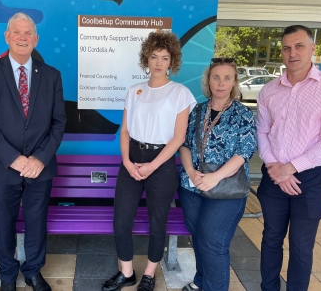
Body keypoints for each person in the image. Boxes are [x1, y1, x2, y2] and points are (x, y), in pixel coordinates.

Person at [0, 13, 66, 291]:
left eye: (28, 33)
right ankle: (7, 275)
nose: (23, 37)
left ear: (36, 39)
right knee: (4, 224)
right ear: (7, 37)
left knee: (37, 222)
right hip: (2, 166)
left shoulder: (51, 75)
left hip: (40, 166)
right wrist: (13, 158)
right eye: (17, 32)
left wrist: (39, 158)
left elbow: (59, 122)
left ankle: (33, 271)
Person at [102, 30, 196, 291]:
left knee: (158, 221)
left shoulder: (180, 93)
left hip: (162, 162)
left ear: (172, 61)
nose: (158, 62)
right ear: (146, 58)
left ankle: (150, 275)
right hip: (132, 158)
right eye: (154, 56)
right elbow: (125, 131)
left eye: (164, 58)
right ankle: (127, 272)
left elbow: (178, 138)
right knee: (121, 220)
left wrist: (153, 165)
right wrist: (128, 162)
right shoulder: (135, 90)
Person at [256, 25, 321, 291]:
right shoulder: (269, 90)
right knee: (271, 237)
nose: (292, 53)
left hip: (312, 178)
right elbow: (262, 130)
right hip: (274, 174)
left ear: (313, 49)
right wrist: (275, 168)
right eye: (286, 48)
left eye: (299, 46)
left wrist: (291, 168)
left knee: (301, 245)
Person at [178, 58, 257, 291]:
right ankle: (201, 280)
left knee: (213, 243)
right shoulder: (197, 110)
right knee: (200, 237)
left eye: (227, 78)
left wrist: (215, 177)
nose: (221, 83)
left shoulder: (243, 114)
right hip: (193, 187)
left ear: (234, 82)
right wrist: (191, 172)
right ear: (208, 81)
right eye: (216, 77)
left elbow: (244, 152)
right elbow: (184, 144)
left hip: (227, 189)